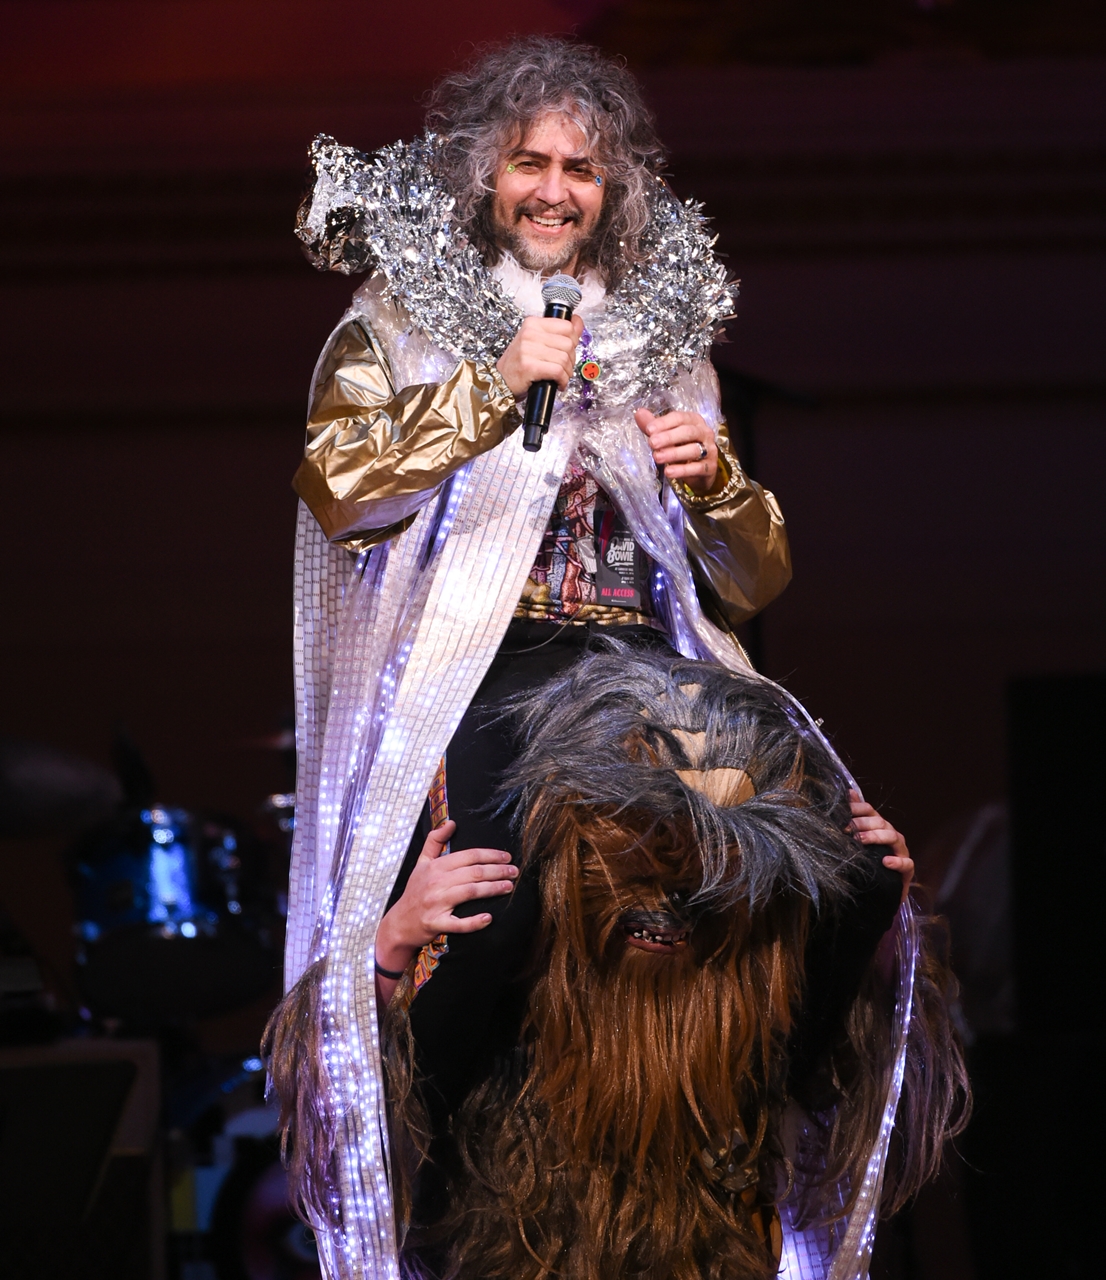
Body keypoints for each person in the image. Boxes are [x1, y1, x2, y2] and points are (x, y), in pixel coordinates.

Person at [267, 37, 916, 1280]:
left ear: (614, 189)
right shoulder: (396, 321)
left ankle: (773, 1112)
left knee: (830, 854)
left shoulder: (662, 344)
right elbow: (334, 489)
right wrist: (490, 385)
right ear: (482, 173)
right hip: (491, 661)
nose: (555, 189)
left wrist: (715, 479)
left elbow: (751, 579)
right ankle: (433, 1147)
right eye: (530, 162)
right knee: (508, 862)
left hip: (650, 668)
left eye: (580, 168)